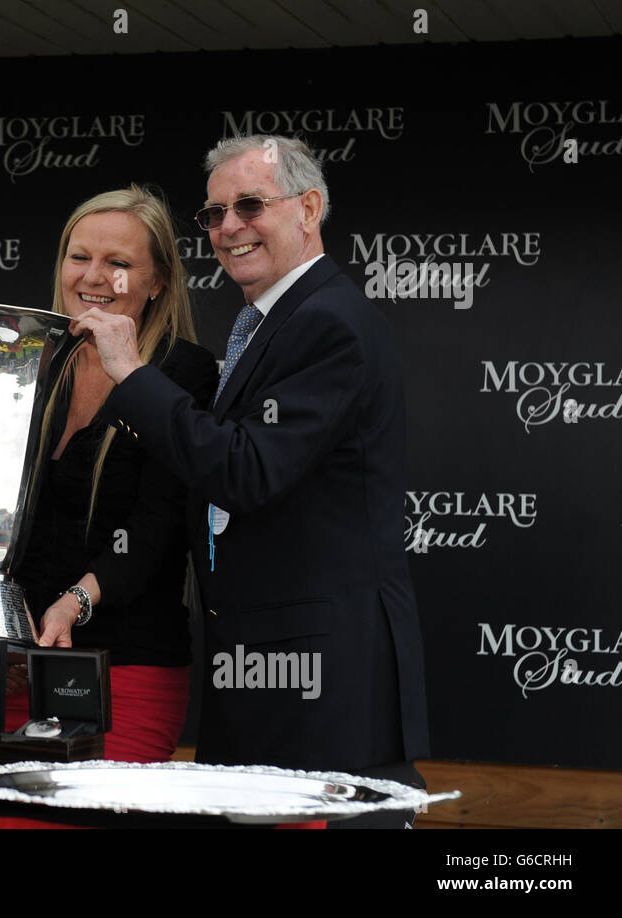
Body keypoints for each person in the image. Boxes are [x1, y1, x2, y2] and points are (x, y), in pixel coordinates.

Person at [72, 136, 429, 819]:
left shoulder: (331, 324)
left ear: (309, 208)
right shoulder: (271, 323)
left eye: (250, 205)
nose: (229, 227)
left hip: (326, 696)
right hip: (259, 680)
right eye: (214, 214)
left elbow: (246, 469)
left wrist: (131, 374)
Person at [21, 186, 218, 762]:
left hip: (123, 674)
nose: (94, 276)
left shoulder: (184, 372)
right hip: (10, 668)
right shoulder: (26, 360)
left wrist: (75, 602)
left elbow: (159, 524)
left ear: (157, 282)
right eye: (79, 256)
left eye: (119, 263)